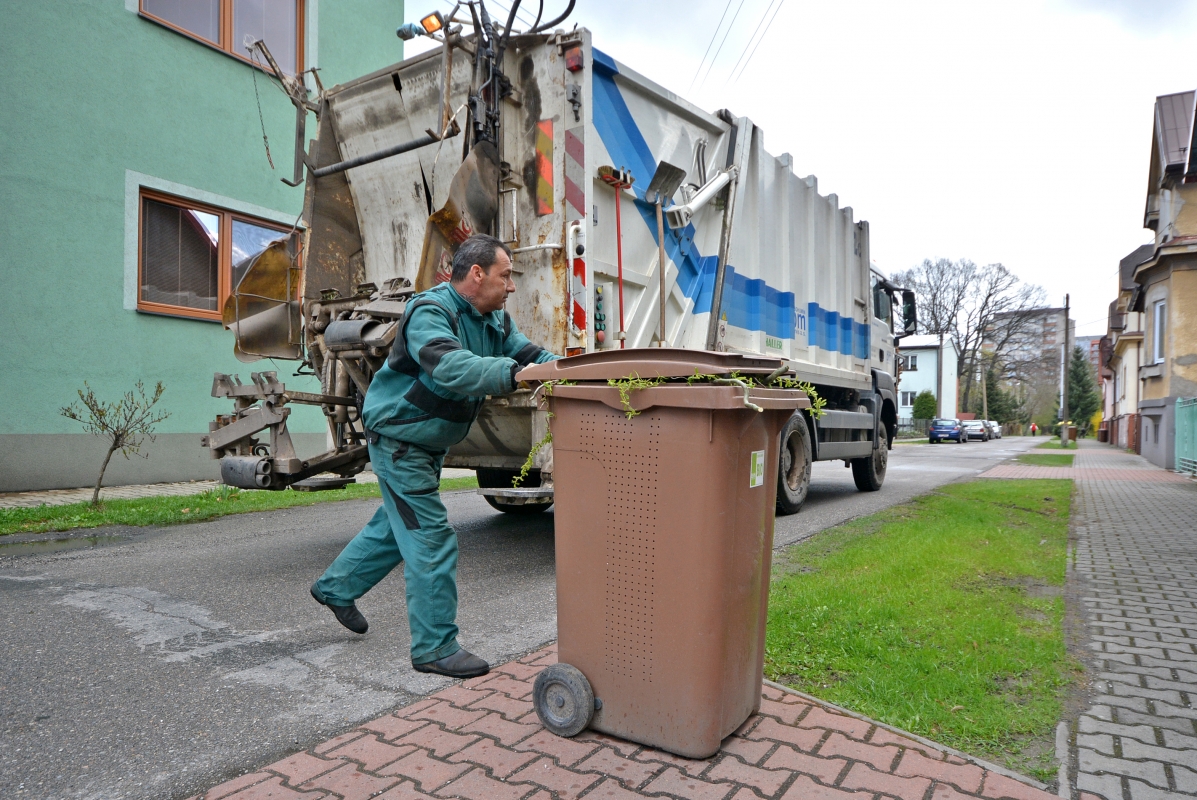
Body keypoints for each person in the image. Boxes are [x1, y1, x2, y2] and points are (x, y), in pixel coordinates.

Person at [310, 234, 559, 678]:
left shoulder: (494, 320)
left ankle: (335, 588)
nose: (512, 286)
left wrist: (569, 370)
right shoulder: (431, 311)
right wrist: (515, 374)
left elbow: (530, 354)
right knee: (430, 538)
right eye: (506, 276)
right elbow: (449, 366)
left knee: (396, 527)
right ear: (477, 274)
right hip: (399, 439)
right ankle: (434, 647)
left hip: (424, 441)